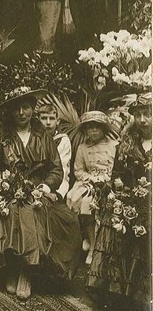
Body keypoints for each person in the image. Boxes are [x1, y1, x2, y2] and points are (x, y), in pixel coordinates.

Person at [0, 87, 81, 301]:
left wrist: (46, 186)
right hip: (8, 188)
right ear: (11, 112)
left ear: (33, 109)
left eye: (26, 107)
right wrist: (1, 180)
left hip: (35, 189)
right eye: (17, 109)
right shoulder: (3, 136)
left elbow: (56, 168)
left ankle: (26, 273)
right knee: (9, 210)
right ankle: (13, 268)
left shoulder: (43, 136)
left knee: (31, 212)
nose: (21, 113)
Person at [87, 93, 151, 309]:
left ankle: (139, 291)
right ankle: (117, 289)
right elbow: (116, 174)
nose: (143, 120)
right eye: (138, 115)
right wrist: (119, 184)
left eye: (148, 114)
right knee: (114, 217)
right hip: (131, 196)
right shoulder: (126, 143)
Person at [66, 111, 118, 265]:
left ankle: (100, 248)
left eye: (97, 127)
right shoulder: (82, 147)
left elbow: (118, 167)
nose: (94, 130)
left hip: (108, 181)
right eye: (90, 128)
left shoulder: (114, 145)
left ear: (104, 129)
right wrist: (89, 179)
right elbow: (78, 170)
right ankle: (90, 239)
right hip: (89, 181)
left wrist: (107, 179)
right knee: (81, 201)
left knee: (100, 203)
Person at [38, 104, 71, 200]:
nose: (48, 123)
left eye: (52, 118)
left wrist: (58, 194)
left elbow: (64, 170)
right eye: (44, 118)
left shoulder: (62, 140)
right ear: (38, 119)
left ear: (58, 121)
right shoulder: (32, 138)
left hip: (55, 186)